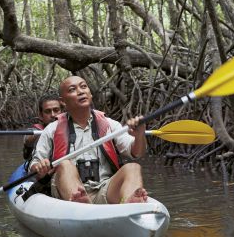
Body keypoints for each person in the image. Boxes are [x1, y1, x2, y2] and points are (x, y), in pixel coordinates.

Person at [30, 76, 148, 204]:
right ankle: (80, 201)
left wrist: (139, 135)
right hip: (69, 192)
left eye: (83, 86)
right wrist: (40, 167)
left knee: (133, 168)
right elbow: (35, 165)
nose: (80, 91)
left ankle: (131, 206)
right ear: (63, 101)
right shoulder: (52, 129)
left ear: (90, 93)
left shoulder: (110, 125)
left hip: (104, 188)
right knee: (64, 165)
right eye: (72, 89)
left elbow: (136, 153)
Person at [23, 92, 63, 162]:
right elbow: (26, 155)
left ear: (62, 112)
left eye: (56, 110)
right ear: (41, 115)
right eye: (47, 111)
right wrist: (29, 142)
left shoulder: (70, 126)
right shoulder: (35, 131)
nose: (53, 115)